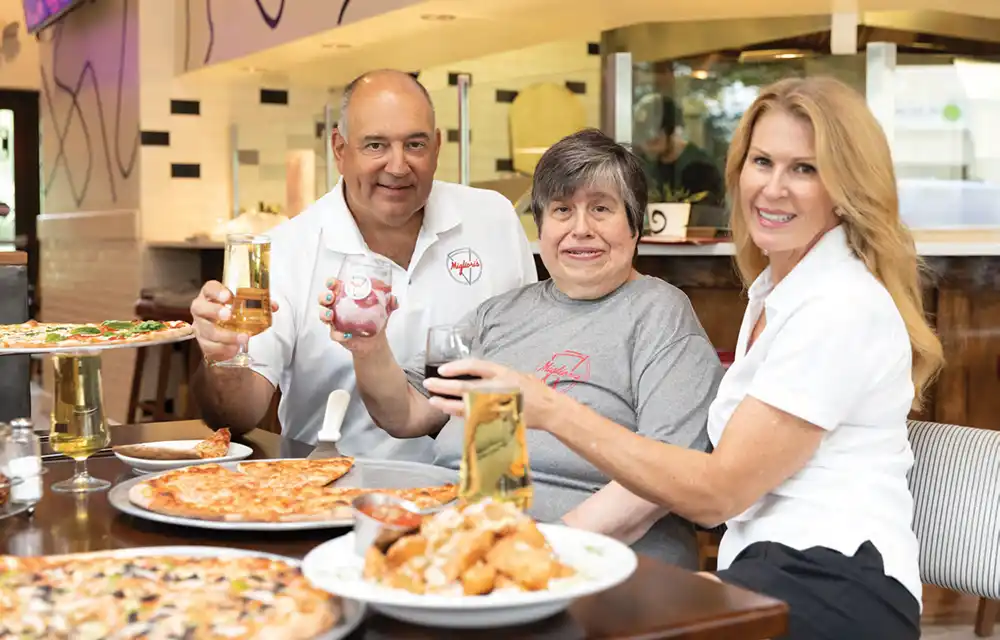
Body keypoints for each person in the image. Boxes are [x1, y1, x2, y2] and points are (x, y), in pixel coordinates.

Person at [429, 77, 942, 639]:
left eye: (805, 168)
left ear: (847, 186)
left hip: (836, 581)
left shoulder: (839, 306)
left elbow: (717, 495)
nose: (773, 188)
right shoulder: (779, 287)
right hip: (764, 566)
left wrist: (548, 409)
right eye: (762, 161)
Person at [321, 128, 724, 566]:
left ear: (634, 225)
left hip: (589, 556)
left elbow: (670, 473)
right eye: (562, 210)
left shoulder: (660, 313)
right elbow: (406, 413)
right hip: (463, 537)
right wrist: (368, 344)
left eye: (601, 209)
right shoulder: (499, 314)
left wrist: (539, 548)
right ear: (541, 225)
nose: (580, 229)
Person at [189, 70, 537, 461]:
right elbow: (238, 416)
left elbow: (533, 359)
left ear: (437, 146)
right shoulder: (287, 248)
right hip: (333, 491)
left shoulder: (493, 218)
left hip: (479, 487)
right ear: (339, 149)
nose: (398, 166)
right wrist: (223, 360)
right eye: (375, 145)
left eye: (415, 144)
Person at [633, 93, 724, 206]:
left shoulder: (701, 170)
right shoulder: (646, 167)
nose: (646, 144)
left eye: (653, 137)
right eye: (642, 135)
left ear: (672, 131)